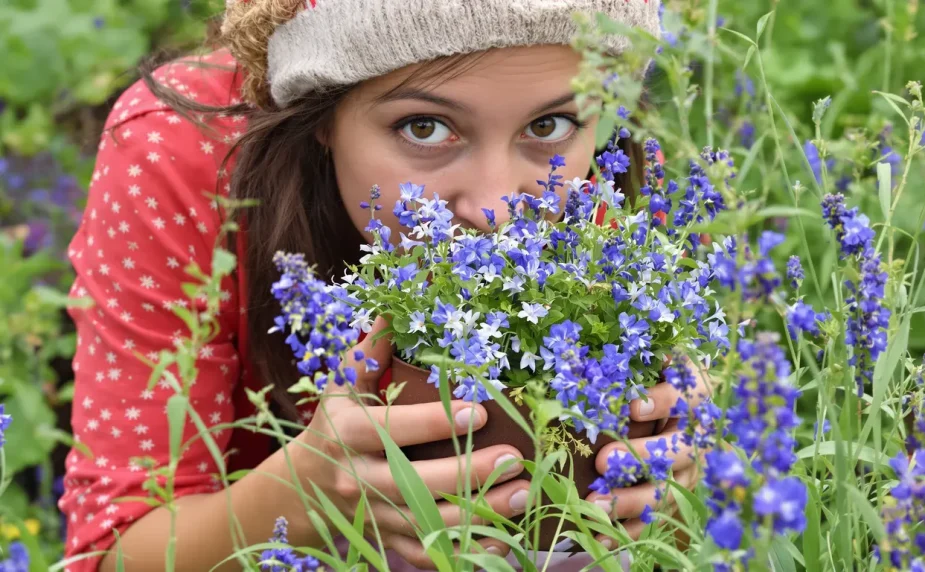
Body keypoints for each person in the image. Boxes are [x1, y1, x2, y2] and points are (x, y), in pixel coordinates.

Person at [59, 1, 704, 570]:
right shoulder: (182, 152)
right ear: (321, 110)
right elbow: (111, 550)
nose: (499, 208)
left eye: (549, 126)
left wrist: (673, 470)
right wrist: (302, 495)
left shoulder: (607, 183)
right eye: (423, 127)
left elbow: (669, 520)